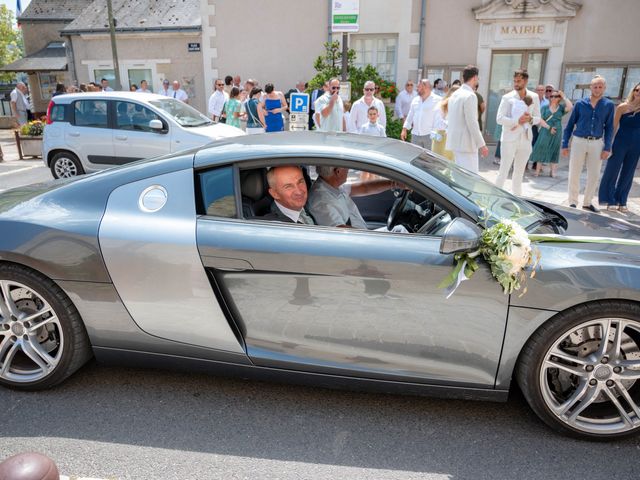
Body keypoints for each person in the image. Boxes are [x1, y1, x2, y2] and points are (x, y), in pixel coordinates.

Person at [562, 75, 615, 212]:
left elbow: (609, 127)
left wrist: (607, 147)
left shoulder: (608, 105)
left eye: (600, 86)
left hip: (597, 143)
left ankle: (587, 202)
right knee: (574, 172)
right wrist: (564, 144)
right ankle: (573, 201)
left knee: (594, 174)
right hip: (579, 141)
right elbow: (569, 125)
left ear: (604, 88)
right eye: (595, 86)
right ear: (590, 87)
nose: (597, 89)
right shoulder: (580, 104)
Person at [308, 166, 401, 229]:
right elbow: (340, 232)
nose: (348, 169)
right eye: (346, 166)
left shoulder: (332, 185)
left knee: (401, 230)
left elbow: (365, 188)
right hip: (359, 244)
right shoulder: (322, 202)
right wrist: (372, 238)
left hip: (363, 234)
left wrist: (394, 183)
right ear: (338, 172)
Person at [495, 69, 541, 195]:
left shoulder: (534, 97)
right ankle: (495, 196)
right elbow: (499, 118)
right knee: (503, 170)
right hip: (509, 138)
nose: (516, 83)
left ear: (525, 81)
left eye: (519, 81)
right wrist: (517, 121)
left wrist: (530, 119)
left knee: (519, 172)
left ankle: (517, 199)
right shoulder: (507, 97)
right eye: (515, 81)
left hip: (526, 138)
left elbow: (538, 118)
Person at [598, 82, 640, 212]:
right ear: (633, 91)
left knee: (628, 173)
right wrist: (608, 144)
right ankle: (609, 199)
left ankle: (622, 200)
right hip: (620, 142)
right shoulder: (622, 107)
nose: (638, 92)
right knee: (612, 170)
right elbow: (613, 127)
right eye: (637, 90)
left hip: (637, 144)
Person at [445, 65, 489, 173]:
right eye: (477, 78)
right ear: (474, 77)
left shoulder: (455, 94)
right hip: (466, 144)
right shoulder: (470, 95)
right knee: (470, 179)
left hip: (455, 142)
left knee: (458, 176)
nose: (477, 80)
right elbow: (472, 123)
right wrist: (482, 144)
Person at [531, 89, 573, 177]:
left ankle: (553, 172)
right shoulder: (545, 107)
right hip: (545, 129)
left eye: (556, 96)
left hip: (557, 131)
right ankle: (537, 170)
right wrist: (549, 127)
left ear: (559, 98)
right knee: (541, 148)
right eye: (551, 96)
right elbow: (540, 119)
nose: (553, 98)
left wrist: (564, 96)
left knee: (554, 149)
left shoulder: (561, 108)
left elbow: (570, 107)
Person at [400, 79, 441, 148]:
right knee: (415, 157)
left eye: (419, 87)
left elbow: (440, 119)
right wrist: (404, 129)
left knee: (429, 158)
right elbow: (410, 115)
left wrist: (437, 136)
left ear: (425, 87)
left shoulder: (438, 100)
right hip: (415, 135)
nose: (417, 89)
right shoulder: (415, 100)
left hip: (430, 136)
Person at [431, 85, 459, 161]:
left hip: (451, 138)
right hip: (441, 137)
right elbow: (438, 122)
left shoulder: (456, 106)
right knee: (439, 164)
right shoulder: (441, 104)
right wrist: (450, 124)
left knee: (450, 164)